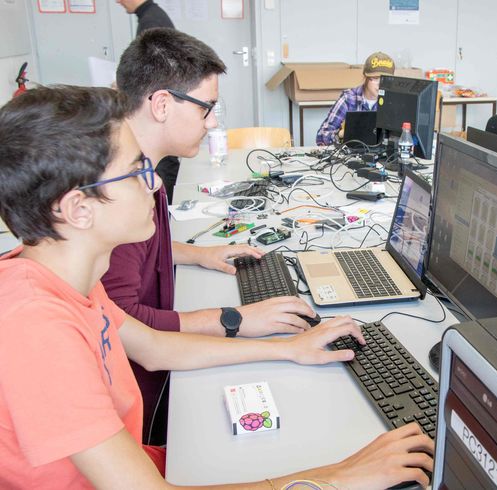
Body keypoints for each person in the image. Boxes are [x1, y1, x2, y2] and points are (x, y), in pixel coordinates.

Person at [0, 85, 434, 489]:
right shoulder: (35, 326)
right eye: (136, 173)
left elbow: (153, 347)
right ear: (78, 209)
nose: (153, 185)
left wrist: (289, 347)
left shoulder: (64, 275)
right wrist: (338, 478)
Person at [107, 28, 319, 443]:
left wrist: (197, 254)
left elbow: (140, 250)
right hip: (140, 406)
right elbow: (128, 324)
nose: (213, 122)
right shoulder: (118, 189)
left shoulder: (142, 172)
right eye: (207, 108)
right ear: (162, 104)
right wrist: (236, 319)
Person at [115, 0, 179, 201]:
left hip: (157, 118)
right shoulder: (151, 17)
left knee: (161, 173)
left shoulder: (152, 22)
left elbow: (154, 76)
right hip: (158, 112)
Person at [316, 52, 395, 146]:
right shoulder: (348, 99)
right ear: (366, 77)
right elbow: (321, 137)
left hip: (382, 157)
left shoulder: (392, 102)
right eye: (376, 78)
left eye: (385, 79)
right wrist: (342, 134)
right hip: (351, 156)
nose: (380, 84)